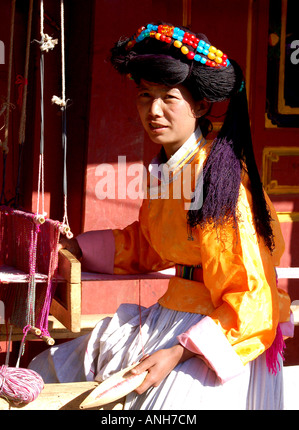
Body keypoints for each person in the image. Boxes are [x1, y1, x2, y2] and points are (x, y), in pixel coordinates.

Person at [29, 22, 293, 410]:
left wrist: (179, 353)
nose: (153, 111)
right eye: (144, 96)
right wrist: (78, 248)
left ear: (200, 105)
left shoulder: (220, 182)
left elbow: (251, 295)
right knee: (50, 371)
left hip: (217, 333)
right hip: (175, 313)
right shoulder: (170, 168)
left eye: (169, 97)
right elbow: (153, 244)